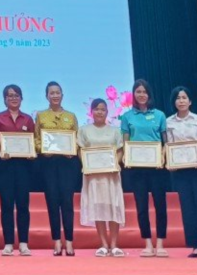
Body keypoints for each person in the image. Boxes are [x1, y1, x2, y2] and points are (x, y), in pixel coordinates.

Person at [120, 79, 169, 258]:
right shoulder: (127, 116)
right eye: (138, 91)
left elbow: (165, 141)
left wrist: (163, 155)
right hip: (137, 168)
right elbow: (125, 141)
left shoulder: (159, 115)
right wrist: (126, 156)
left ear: (149, 94)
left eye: (144, 92)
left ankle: (160, 243)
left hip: (156, 167)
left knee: (160, 205)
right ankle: (147, 243)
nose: (141, 95)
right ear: (133, 94)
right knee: (141, 206)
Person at [165, 86, 197, 258]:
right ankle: (194, 244)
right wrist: (170, 161)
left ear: (190, 101)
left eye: (184, 98)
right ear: (174, 102)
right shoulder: (169, 122)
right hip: (180, 170)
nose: (181, 101)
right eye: (178, 98)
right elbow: (169, 144)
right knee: (187, 207)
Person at [0, 83, 35, 255]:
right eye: (10, 96)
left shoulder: (28, 119)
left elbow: (33, 140)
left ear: (21, 99)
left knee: (23, 205)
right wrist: (0, 151)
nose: (13, 98)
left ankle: (23, 243)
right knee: (7, 204)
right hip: (5, 166)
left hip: (23, 167)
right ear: (4, 99)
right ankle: (8, 243)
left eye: (16, 95)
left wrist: (31, 152)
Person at [35, 81, 78, 256]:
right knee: (52, 202)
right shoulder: (41, 116)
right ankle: (57, 242)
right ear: (46, 96)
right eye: (51, 93)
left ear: (62, 95)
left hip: (67, 164)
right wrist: (42, 150)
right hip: (48, 164)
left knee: (67, 203)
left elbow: (76, 139)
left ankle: (69, 242)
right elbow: (36, 139)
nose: (55, 95)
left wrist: (72, 150)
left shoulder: (71, 116)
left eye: (57, 92)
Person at [79, 97, 125, 257]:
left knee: (113, 206)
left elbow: (120, 150)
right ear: (91, 112)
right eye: (97, 109)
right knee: (98, 206)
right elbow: (81, 150)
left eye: (103, 109)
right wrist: (86, 165)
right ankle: (104, 245)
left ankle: (114, 245)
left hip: (111, 174)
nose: (100, 112)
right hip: (93, 175)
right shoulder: (84, 130)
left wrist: (115, 164)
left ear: (107, 112)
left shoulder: (115, 131)